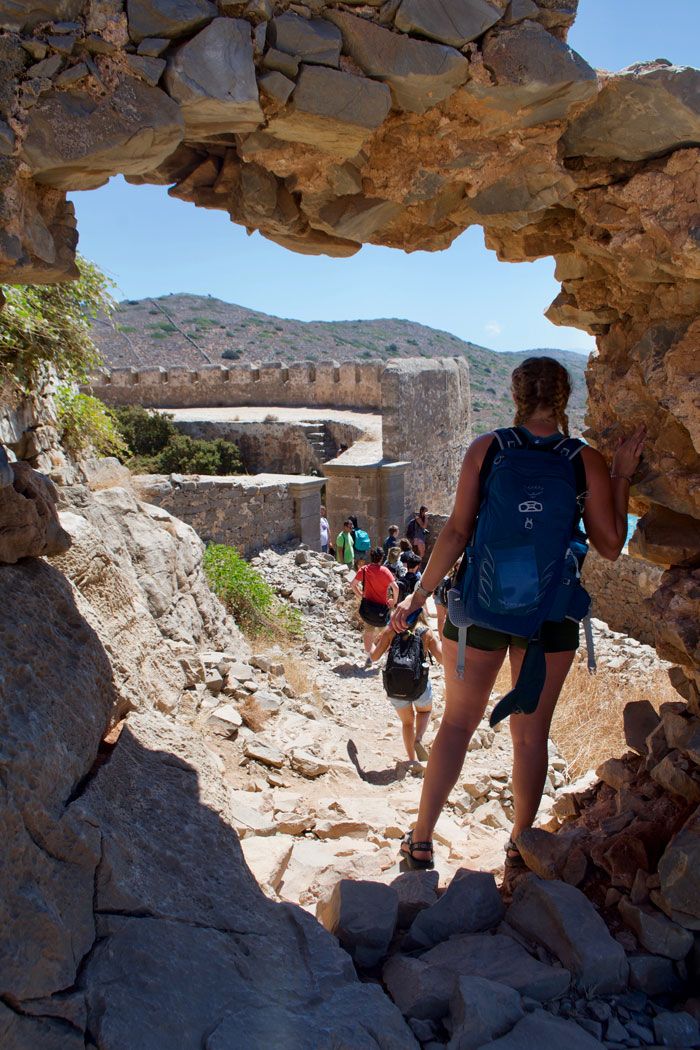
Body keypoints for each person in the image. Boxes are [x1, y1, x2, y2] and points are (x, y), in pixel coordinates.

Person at [391, 356, 646, 874]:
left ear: (515, 395)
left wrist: (418, 595)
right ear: (564, 396)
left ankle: (420, 841)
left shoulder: (487, 450)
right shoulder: (584, 460)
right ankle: (519, 845)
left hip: (482, 608)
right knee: (531, 737)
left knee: (457, 725)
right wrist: (619, 476)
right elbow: (611, 545)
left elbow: (458, 532)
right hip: (549, 617)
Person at [370, 611, 442, 769]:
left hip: (395, 686)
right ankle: (419, 739)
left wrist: (372, 642)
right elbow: (442, 658)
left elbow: (374, 657)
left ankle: (411, 759)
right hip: (419, 686)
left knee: (407, 723)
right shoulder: (425, 632)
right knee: (424, 712)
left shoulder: (390, 631)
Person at [351, 547, 399, 667]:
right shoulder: (385, 571)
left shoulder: (364, 570)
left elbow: (353, 585)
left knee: (368, 634)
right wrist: (394, 601)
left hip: (368, 610)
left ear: (370, 557)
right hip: (383, 610)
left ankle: (370, 657)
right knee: (387, 635)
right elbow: (396, 587)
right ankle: (384, 658)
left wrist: (361, 595)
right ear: (382, 558)